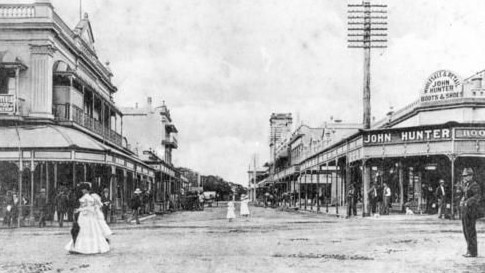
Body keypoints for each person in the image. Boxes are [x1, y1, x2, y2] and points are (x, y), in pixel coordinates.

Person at [65, 183, 110, 254]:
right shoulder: (91, 197)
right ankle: (84, 247)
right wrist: (80, 209)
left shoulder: (87, 197)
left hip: (86, 217)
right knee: (88, 231)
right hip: (86, 216)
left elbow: (90, 208)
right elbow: (94, 207)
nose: (82, 191)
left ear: (85, 189)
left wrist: (79, 210)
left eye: (83, 189)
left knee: (84, 231)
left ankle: (82, 248)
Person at [460, 168, 481, 258]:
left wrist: (467, 201)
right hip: (465, 211)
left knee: (470, 231)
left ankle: (472, 252)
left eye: (466, 176)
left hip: (471, 211)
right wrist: (462, 200)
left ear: (471, 176)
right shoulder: (467, 185)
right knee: (466, 231)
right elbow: (465, 195)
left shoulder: (475, 185)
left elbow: (477, 196)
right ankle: (469, 250)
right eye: (464, 176)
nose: (464, 177)